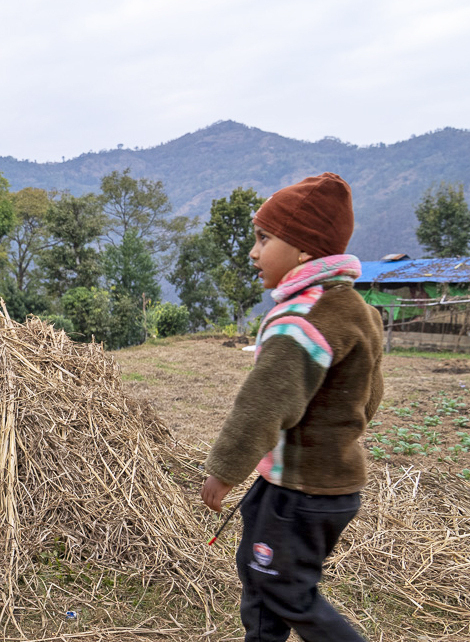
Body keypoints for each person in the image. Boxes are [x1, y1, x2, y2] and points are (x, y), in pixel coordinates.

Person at [200, 173, 383, 641]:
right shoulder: (358, 310)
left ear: (303, 250)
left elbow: (262, 404)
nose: (253, 252)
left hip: (302, 491)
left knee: (285, 590)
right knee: (259, 572)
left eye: (264, 239)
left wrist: (224, 469)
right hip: (314, 486)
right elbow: (369, 397)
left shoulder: (301, 320)